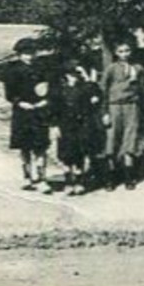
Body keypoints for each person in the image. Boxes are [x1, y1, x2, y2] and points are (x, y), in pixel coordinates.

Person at [0, 37, 51, 191]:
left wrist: (45, 101)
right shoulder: (13, 70)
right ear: (19, 54)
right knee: (24, 146)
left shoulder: (43, 68)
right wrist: (19, 102)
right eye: (26, 53)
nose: (29, 56)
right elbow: (10, 93)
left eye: (32, 53)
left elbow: (50, 88)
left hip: (40, 111)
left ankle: (42, 178)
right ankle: (27, 177)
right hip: (22, 111)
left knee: (41, 146)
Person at [101, 38, 144, 189]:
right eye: (121, 51)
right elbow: (103, 91)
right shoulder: (111, 69)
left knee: (130, 139)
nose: (125, 54)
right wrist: (105, 112)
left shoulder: (138, 68)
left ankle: (129, 177)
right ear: (116, 53)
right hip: (114, 106)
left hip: (131, 107)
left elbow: (143, 90)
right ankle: (110, 178)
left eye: (127, 51)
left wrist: (143, 107)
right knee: (112, 139)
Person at [53, 60, 104, 195]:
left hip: (81, 125)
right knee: (66, 154)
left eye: (76, 75)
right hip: (65, 125)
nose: (73, 77)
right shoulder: (59, 90)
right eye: (70, 74)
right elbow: (54, 110)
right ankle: (69, 182)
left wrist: (88, 78)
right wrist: (55, 126)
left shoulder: (85, 88)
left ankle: (80, 182)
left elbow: (96, 95)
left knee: (80, 152)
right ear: (65, 75)